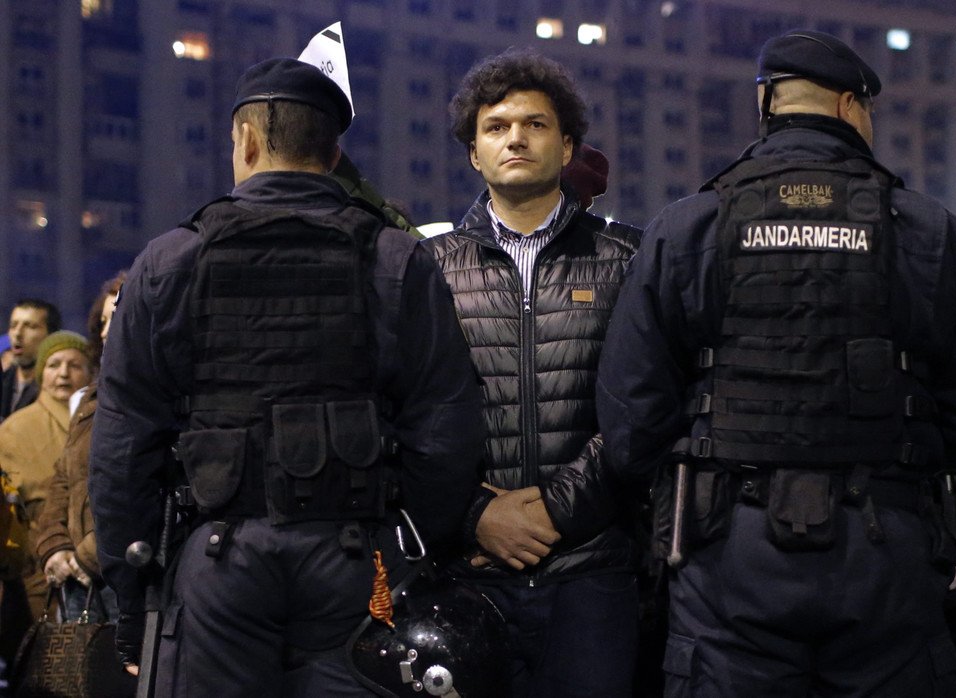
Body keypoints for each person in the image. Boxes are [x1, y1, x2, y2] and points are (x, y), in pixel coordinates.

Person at [596, 29, 956, 697]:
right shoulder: (929, 232)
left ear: (764, 103)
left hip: (726, 554)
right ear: (852, 106)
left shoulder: (686, 229)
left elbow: (630, 417)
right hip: (888, 546)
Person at [88, 57, 484, 696]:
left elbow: (122, 445)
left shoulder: (170, 260)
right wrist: (408, 548)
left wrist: (131, 593)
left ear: (245, 140)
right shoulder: (395, 257)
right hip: (358, 564)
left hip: (218, 566)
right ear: (333, 154)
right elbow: (446, 429)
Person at [425, 49, 641, 698]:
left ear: (567, 145)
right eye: (496, 127)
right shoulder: (427, 267)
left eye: (535, 124)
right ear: (474, 152)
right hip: (465, 570)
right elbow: (404, 410)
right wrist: (476, 515)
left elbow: (644, 406)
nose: (515, 138)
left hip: (590, 571)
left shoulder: (627, 257)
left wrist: (555, 508)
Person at [35, 274, 126, 623]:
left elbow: (137, 487)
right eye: (102, 321)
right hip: (75, 575)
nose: (105, 332)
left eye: (116, 318)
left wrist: (87, 556)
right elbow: (63, 478)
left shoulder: (152, 395)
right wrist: (54, 546)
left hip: (119, 574)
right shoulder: (90, 398)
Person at [0, 331, 93, 619]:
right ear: (42, 373)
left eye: (74, 365)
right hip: (38, 572)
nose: (63, 373)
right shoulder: (14, 431)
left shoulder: (98, 424)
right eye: (54, 365)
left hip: (94, 562)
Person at [0, 299, 61, 421]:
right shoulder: (4, 381)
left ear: (51, 336)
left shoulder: (59, 388)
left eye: (30, 326)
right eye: (13, 325)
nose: (17, 333)